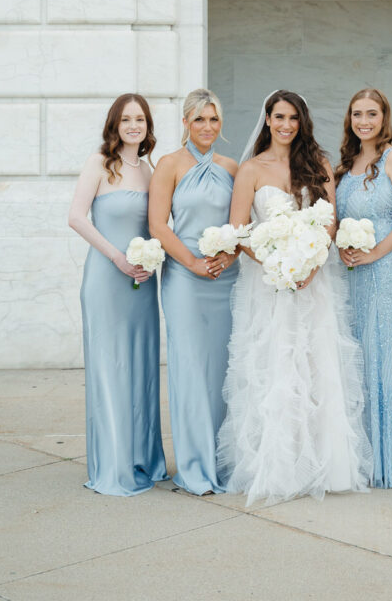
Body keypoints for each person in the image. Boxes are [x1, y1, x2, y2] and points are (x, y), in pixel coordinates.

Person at [216, 90, 372, 505]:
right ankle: (279, 466)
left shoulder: (317, 163)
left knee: (315, 364)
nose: (286, 125)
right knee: (275, 366)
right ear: (267, 119)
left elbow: (330, 221)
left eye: (293, 118)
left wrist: (309, 265)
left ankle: (324, 463)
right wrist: (276, 263)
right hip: (268, 285)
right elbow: (238, 230)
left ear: (302, 122)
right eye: (279, 117)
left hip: (313, 282)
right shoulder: (250, 169)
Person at [69, 93, 167, 495]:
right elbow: (76, 217)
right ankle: (113, 464)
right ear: (115, 124)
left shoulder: (150, 169)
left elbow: (158, 225)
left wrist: (151, 260)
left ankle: (141, 456)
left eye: (140, 119)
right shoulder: (99, 163)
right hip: (107, 280)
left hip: (141, 284)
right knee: (110, 367)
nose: (133, 126)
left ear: (147, 127)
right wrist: (116, 257)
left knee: (141, 367)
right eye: (126, 119)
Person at [149, 88, 238, 495]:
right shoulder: (169, 164)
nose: (207, 127)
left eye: (214, 119)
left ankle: (221, 459)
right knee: (190, 370)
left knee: (223, 370)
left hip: (225, 280)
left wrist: (227, 257)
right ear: (185, 122)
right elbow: (158, 226)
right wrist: (191, 262)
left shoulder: (232, 167)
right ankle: (193, 465)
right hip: (184, 280)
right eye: (199, 119)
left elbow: (240, 226)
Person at [335, 88, 392, 488]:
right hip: (351, 275)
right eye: (357, 114)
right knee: (358, 360)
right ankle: (361, 461)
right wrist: (345, 248)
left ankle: (391, 461)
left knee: (386, 354)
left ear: (385, 117)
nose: (364, 121)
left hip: (386, 273)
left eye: (371, 114)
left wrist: (375, 253)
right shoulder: (345, 165)